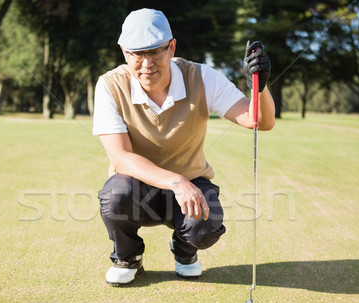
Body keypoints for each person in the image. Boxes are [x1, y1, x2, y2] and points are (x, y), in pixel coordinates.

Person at [93, 8, 275, 286]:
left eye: (155, 51)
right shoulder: (109, 85)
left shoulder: (202, 77)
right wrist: (176, 182)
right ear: (123, 52)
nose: (146, 63)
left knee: (206, 225)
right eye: (136, 54)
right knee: (116, 194)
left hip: (191, 183)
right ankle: (127, 256)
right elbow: (121, 158)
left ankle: (184, 249)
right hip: (137, 187)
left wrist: (260, 87)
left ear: (171, 47)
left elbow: (259, 121)